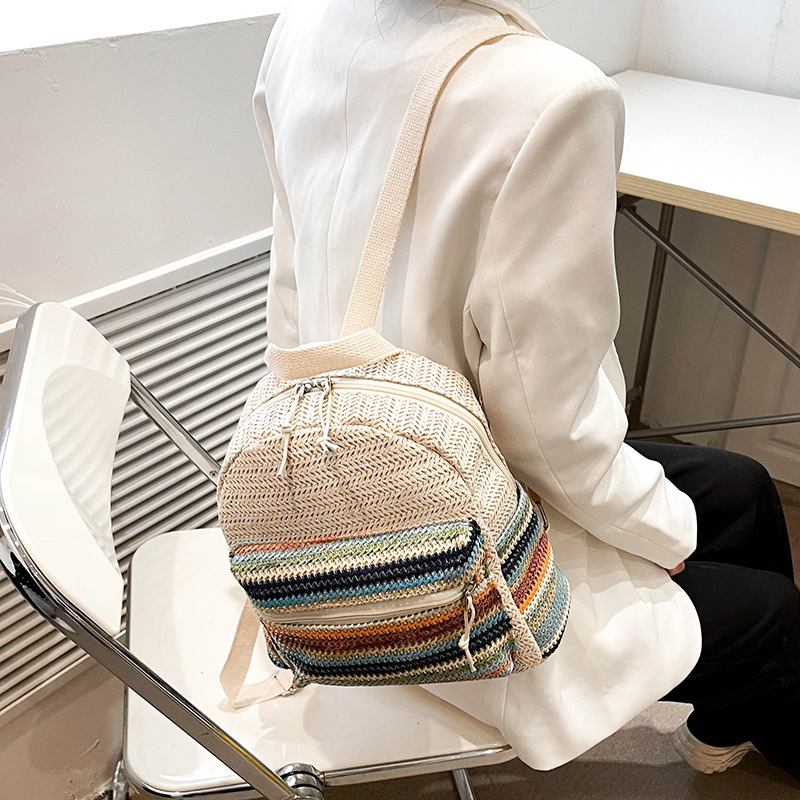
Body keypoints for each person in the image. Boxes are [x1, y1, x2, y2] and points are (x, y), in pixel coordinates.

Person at [251, 0, 800, 780]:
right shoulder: (548, 93)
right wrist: (662, 540)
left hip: (345, 480)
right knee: (778, 620)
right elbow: (549, 431)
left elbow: (288, 297)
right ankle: (752, 702)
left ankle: (725, 725)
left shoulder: (306, 26)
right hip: (454, 573)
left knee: (741, 491)